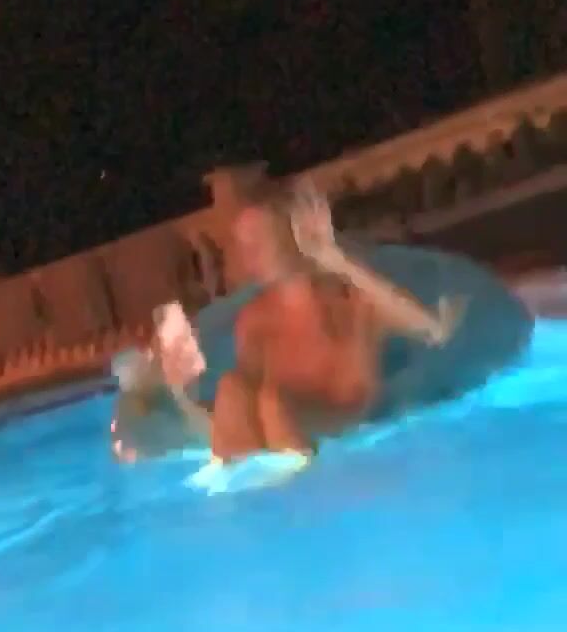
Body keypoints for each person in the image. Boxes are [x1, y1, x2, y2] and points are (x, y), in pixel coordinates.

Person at [161, 185, 464, 470]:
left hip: (354, 442)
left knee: (274, 404)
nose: (248, 254)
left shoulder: (354, 299)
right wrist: (182, 394)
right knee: (232, 389)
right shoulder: (254, 320)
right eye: (243, 244)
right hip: (291, 455)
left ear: (294, 233)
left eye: (259, 238)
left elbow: (434, 331)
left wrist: (335, 259)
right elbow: (231, 423)